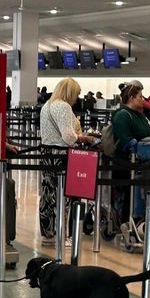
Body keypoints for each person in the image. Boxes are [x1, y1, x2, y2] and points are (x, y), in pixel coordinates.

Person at [39, 78, 94, 246]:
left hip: (46, 153)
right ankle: (63, 234)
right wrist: (83, 138)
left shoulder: (47, 105)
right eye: (76, 94)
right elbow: (68, 137)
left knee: (48, 194)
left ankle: (48, 233)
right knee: (65, 195)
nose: (77, 98)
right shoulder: (63, 106)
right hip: (61, 155)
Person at [111, 83, 150, 223]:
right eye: (140, 97)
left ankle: (138, 221)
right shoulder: (122, 115)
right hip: (125, 164)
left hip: (142, 163)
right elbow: (125, 140)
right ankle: (125, 223)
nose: (142, 100)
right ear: (131, 98)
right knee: (126, 198)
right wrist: (140, 146)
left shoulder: (140, 115)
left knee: (138, 197)